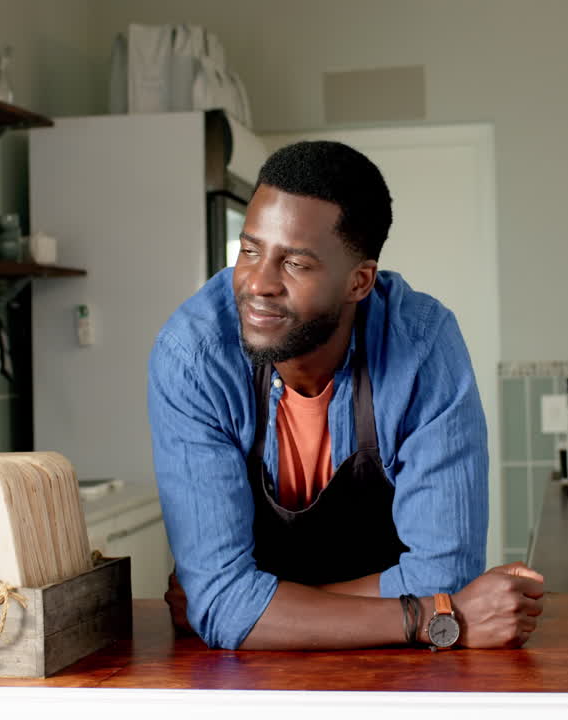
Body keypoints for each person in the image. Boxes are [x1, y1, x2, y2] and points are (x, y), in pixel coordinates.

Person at [147, 140, 544, 651]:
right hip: (247, 682)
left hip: (404, 677)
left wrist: (253, 611)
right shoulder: (195, 355)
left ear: (359, 281)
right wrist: (430, 618)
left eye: (295, 263)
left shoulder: (421, 346)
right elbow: (442, 603)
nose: (258, 283)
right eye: (249, 250)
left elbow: (443, 574)